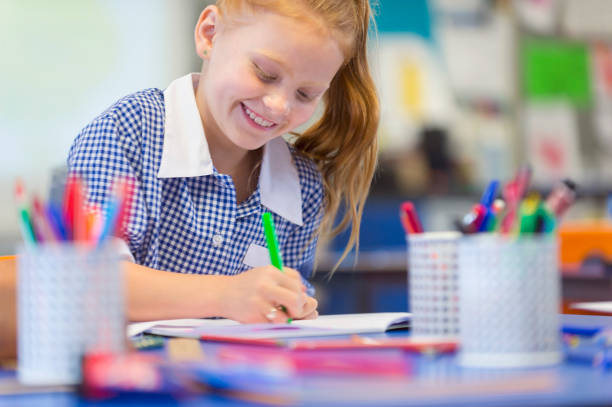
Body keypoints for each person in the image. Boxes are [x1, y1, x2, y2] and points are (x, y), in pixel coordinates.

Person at [67, 0, 379, 324]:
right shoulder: (126, 134)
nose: (278, 105)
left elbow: (282, 316)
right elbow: (89, 285)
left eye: (305, 95)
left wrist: (293, 308)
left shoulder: (302, 187)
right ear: (210, 34)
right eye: (265, 73)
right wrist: (228, 295)